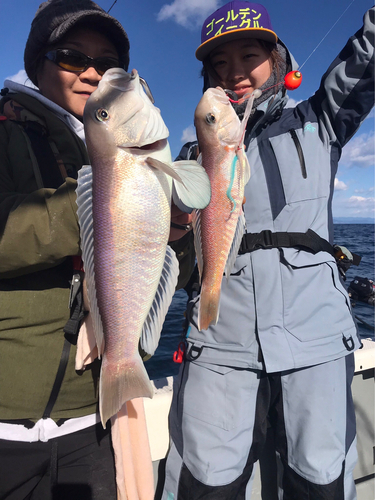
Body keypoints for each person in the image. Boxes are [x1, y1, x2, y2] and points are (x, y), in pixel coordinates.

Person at [162, 2, 374, 499]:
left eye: (249, 56)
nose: (235, 74)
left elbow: (366, 56)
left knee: (318, 482)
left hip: (316, 343)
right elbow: (172, 253)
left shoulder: (319, 121)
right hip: (218, 346)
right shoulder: (194, 155)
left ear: (276, 58)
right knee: (205, 483)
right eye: (220, 64)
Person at [0, 1, 193, 498]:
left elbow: (171, 273)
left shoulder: (108, 151)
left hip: (93, 419)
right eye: (70, 56)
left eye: (109, 64)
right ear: (36, 62)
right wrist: (98, 208)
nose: (92, 72)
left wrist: (177, 232)